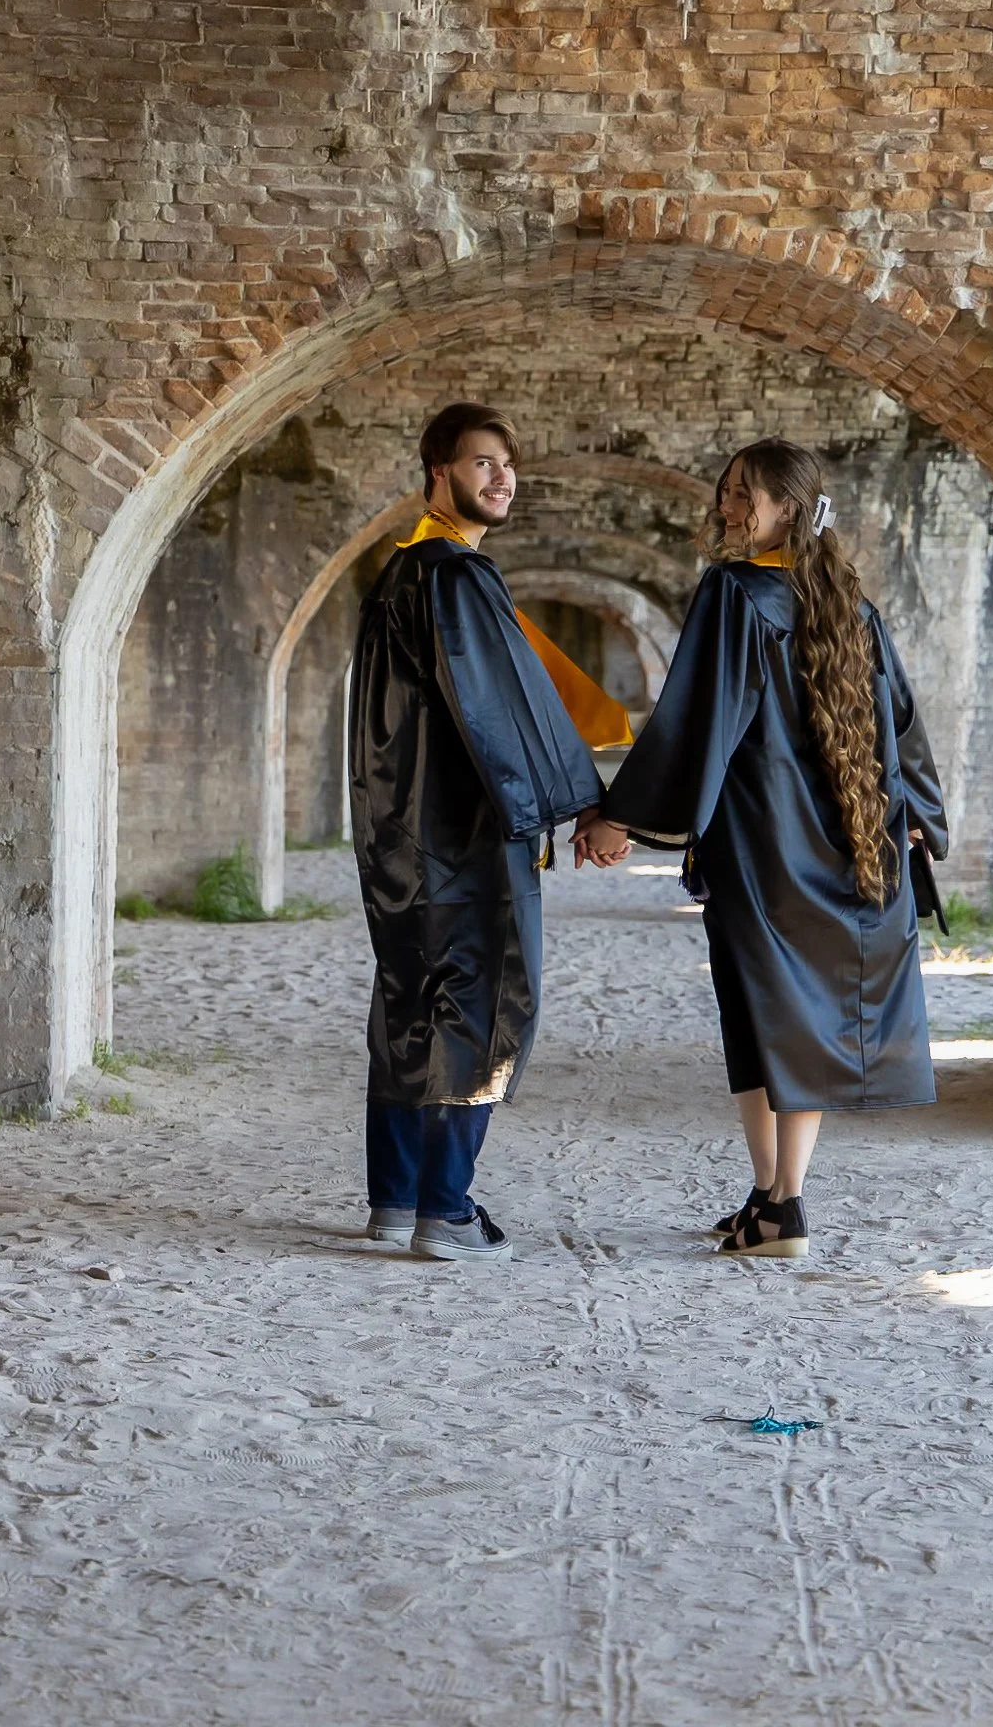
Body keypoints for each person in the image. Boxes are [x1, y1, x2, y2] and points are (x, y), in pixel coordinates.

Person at [575, 438, 946, 1258]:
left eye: (745, 494)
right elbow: (905, 731)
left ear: (790, 506)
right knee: (802, 1015)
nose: (728, 507)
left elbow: (696, 719)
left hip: (760, 843)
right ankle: (780, 1198)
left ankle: (777, 1205)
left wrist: (620, 818)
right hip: (847, 845)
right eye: (728, 491)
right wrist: (917, 816)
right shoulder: (851, 607)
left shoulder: (735, 593)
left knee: (755, 1014)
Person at [349, 402, 631, 1263]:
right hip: (467, 835)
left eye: (508, 463)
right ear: (439, 472)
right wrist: (591, 805)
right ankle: (448, 1210)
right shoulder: (457, 577)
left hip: (399, 834)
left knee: (407, 1008)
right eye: (481, 463)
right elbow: (506, 715)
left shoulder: (395, 577)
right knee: (482, 1007)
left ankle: (395, 1201)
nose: (501, 477)